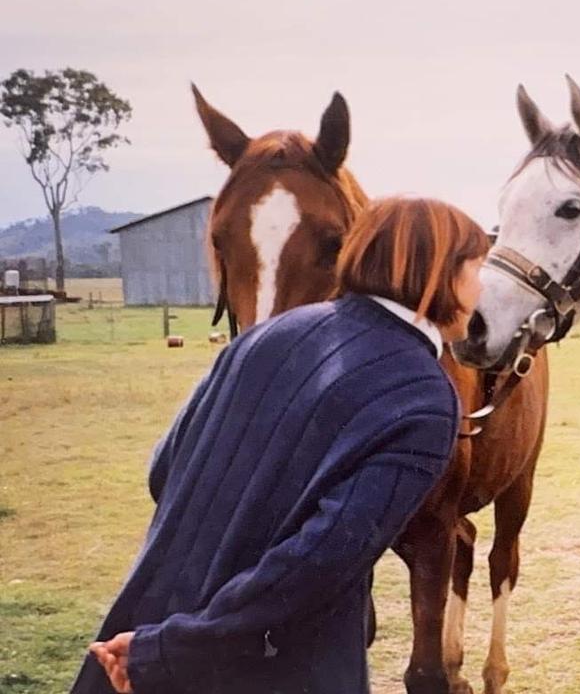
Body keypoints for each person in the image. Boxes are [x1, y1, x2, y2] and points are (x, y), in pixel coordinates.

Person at [72, 197, 490, 694]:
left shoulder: (265, 335)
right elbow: (324, 558)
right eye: (477, 268)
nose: (481, 289)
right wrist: (172, 649)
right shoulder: (423, 393)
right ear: (439, 273)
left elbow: (165, 470)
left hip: (149, 617)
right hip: (266, 661)